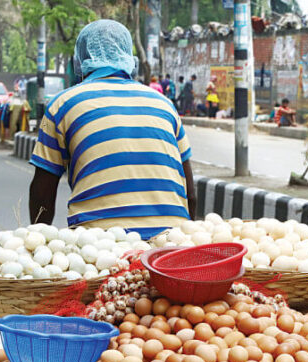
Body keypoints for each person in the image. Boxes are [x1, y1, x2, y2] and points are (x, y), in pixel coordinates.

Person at [27, 19, 196, 239]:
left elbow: (43, 190)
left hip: (97, 245)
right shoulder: (164, 104)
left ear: (81, 60)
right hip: (170, 242)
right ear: (129, 58)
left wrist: (38, 242)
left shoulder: (62, 105)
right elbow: (190, 193)